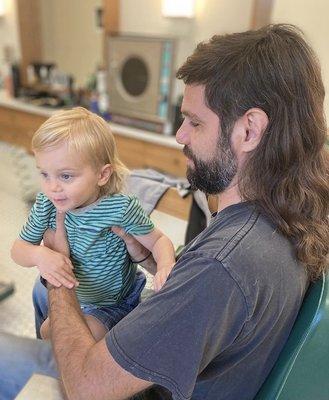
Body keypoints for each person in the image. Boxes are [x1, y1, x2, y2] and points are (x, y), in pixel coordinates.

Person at [1, 23, 329, 400]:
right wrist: (149, 258)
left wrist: (58, 272)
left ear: (250, 130)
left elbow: (87, 387)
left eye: (194, 122)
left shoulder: (225, 264)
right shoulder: (287, 214)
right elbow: (207, 300)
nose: (180, 136)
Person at [10, 107, 176, 341]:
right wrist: (39, 255)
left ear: (102, 175)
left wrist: (166, 265)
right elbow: (18, 251)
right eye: (45, 174)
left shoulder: (120, 208)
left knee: (58, 338)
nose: (52, 187)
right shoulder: (46, 204)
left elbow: (158, 240)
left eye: (65, 176)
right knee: (44, 314)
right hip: (75, 295)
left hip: (111, 303)